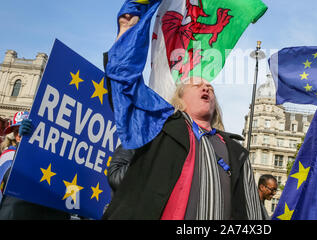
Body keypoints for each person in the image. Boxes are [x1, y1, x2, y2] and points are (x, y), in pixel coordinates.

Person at [102, 14, 263, 220]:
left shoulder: (236, 152)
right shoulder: (158, 125)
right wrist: (126, 35)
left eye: (210, 88)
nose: (206, 87)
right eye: (196, 85)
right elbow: (125, 89)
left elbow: (252, 215)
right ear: (180, 97)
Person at [0, 112, 71, 220]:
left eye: (25, 129)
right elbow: (14, 178)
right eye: (16, 131)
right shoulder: (8, 154)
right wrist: (25, 147)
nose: (19, 134)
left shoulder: (46, 156)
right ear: (14, 136)